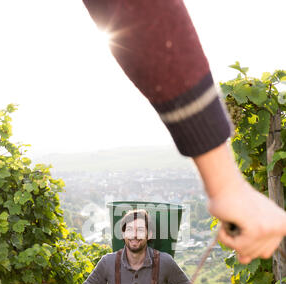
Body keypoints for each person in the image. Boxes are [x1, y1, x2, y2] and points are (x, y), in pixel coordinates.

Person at [82, 0, 286, 265]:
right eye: (131, 230)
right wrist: (226, 186)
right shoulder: (110, 264)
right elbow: (140, 12)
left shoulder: (161, 263)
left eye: (138, 230)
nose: (134, 236)